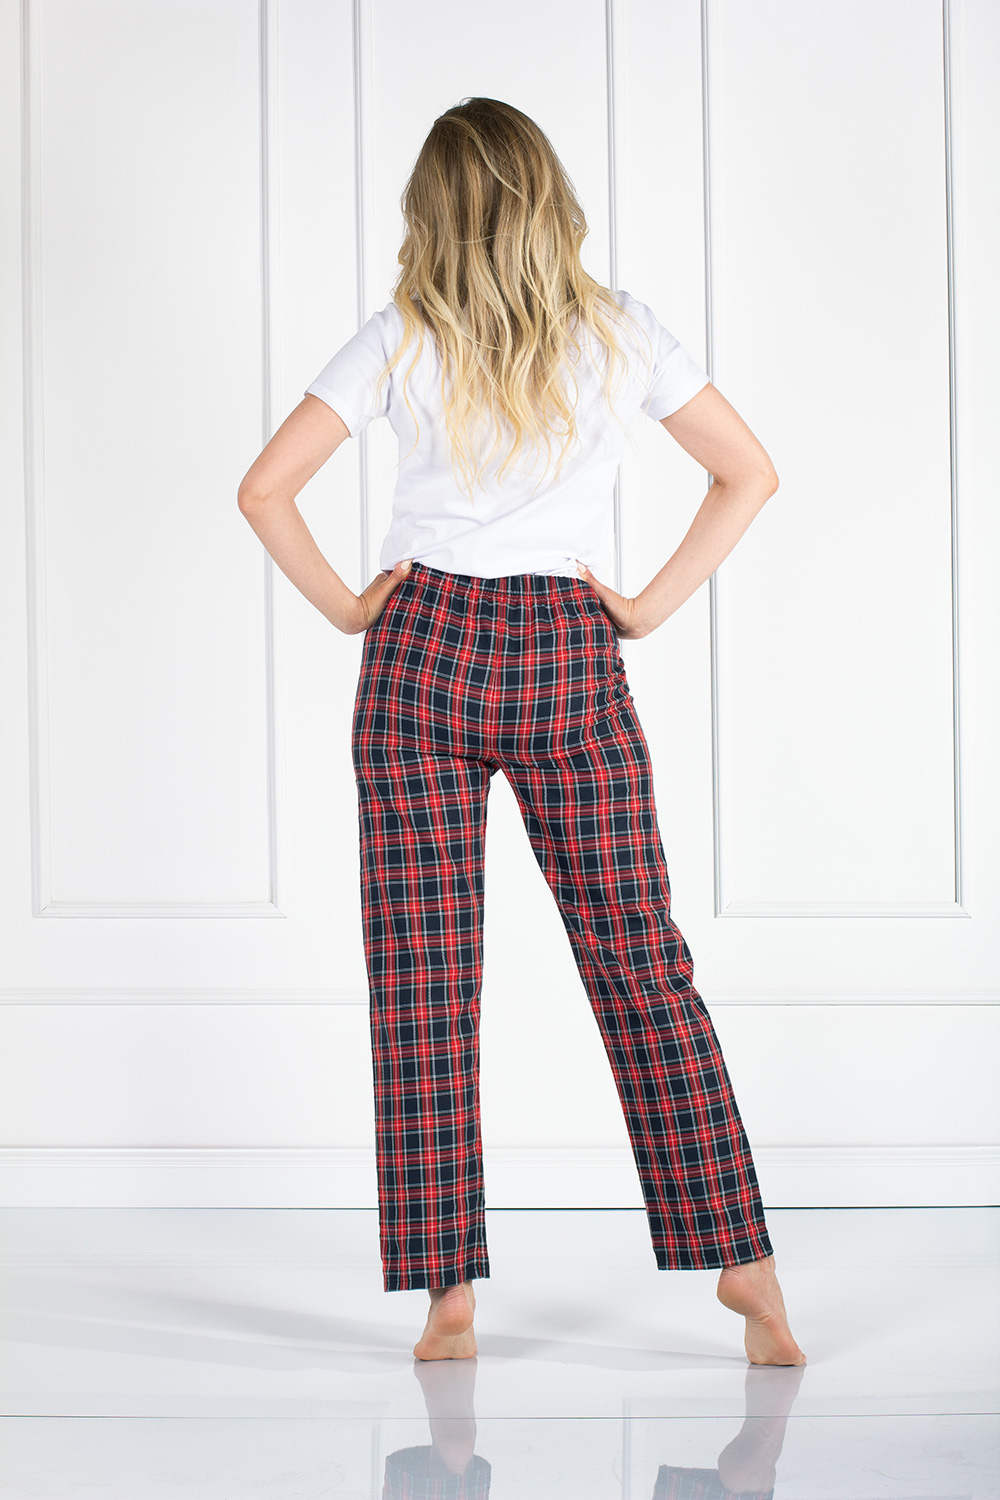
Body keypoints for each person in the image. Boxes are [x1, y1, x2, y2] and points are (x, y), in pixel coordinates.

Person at [237, 96, 806, 1369]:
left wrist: (347, 606)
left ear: (429, 213)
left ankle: (447, 1294)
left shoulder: (400, 335)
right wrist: (643, 607)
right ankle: (749, 1270)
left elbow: (263, 489)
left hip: (420, 648)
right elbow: (749, 470)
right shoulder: (620, 332)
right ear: (550, 201)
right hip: (567, 648)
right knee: (639, 961)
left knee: (423, 976)